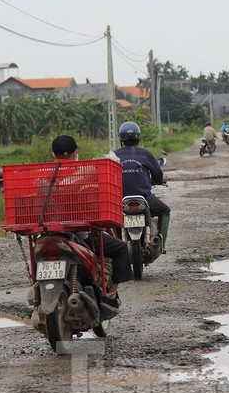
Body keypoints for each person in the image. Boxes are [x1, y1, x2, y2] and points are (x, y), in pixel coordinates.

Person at [51, 134, 131, 309]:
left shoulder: (42, 174)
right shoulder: (84, 172)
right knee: (120, 248)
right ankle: (110, 294)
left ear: (53, 154)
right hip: (78, 234)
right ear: (75, 153)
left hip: (47, 232)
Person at [114, 122, 171, 253]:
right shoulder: (145, 154)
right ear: (138, 137)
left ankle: (118, 241)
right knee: (165, 211)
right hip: (145, 198)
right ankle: (160, 242)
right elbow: (158, 174)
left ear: (121, 139)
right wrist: (158, 181)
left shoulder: (114, 155)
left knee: (113, 219)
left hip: (119, 199)